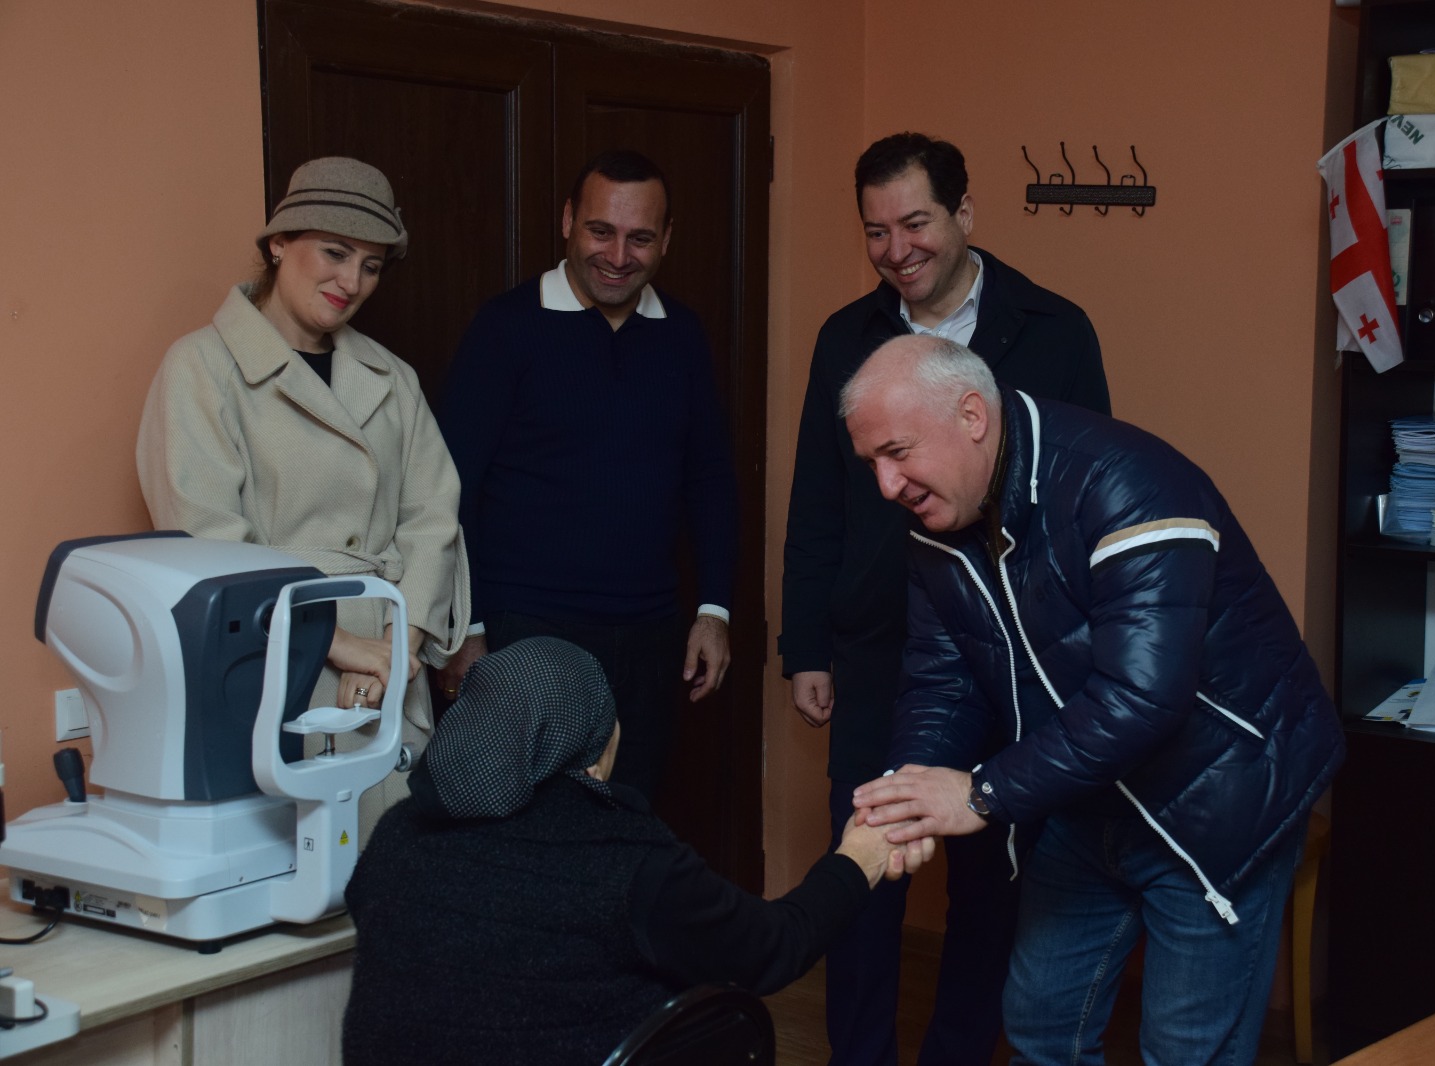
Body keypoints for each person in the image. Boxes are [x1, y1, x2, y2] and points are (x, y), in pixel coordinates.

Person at [847, 336, 1346, 1066]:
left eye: (897, 453)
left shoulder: (1128, 482)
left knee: (1186, 1052)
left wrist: (981, 794)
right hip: (1085, 796)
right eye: (872, 464)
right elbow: (941, 681)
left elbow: (1143, 697)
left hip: (1218, 800)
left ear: (972, 416)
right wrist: (907, 795)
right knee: (1041, 1025)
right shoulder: (938, 522)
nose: (887, 485)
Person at [780, 132, 1111, 1064]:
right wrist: (805, 646)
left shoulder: (1054, 330)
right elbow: (817, 500)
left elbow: (1082, 496)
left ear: (965, 213)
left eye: (915, 223)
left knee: (992, 885)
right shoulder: (845, 337)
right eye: (875, 231)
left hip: (1011, 653)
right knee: (866, 870)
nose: (896, 250)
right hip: (879, 651)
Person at [341, 637, 932, 1065]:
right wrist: (860, 856)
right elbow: (774, 947)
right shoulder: (624, 862)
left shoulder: (399, 832)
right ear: (596, 758)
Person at [136, 157, 469, 837]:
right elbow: (205, 546)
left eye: (371, 266)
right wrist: (337, 645)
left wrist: (393, 651)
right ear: (279, 243)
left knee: (393, 869)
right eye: (335, 253)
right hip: (273, 670)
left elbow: (433, 519)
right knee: (294, 870)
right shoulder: (201, 369)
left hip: (387, 669)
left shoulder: (391, 378)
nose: (351, 282)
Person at [438, 150, 737, 800]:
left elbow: (711, 478)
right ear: (568, 221)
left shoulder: (683, 334)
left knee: (628, 824)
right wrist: (467, 629)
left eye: (640, 238)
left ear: (667, 239)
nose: (619, 256)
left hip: (651, 638)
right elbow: (452, 488)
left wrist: (714, 610)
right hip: (526, 634)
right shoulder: (504, 328)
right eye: (601, 231)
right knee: (528, 829)